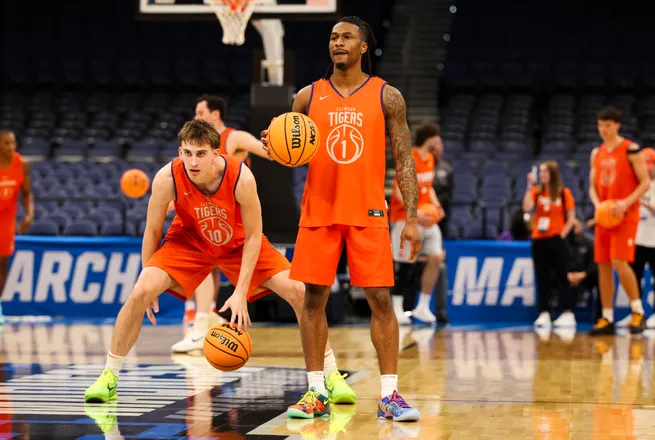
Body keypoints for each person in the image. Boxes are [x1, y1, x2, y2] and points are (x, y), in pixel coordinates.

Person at [84, 120, 355, 405]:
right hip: (189, 241)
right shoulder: (167, 177)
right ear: (180, 152)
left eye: (200, 153)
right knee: (139, 292)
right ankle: (109, 376)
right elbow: (152, 231)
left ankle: (332, 375)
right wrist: (147, 281)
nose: (192, 161)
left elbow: (253, 236)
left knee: (300, 292)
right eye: (187, 153)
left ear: (217, 152)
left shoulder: (241, 177)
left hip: (239, 243)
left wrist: (240, 292)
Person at [263, 16, 422, 422]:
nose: (338, 42)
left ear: (363, 46)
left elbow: (404, 159)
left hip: (368, 212)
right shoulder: (307, 96)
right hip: (319, 212)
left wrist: (413, 218)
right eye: (333, 37)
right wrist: (275, 145)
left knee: (380, 300)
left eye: (347, 37)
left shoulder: (388, 96)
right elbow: (288, 146)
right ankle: (316, 390)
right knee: (313, 301)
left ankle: (389, 394)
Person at [171, 95, 275, 353]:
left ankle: (203, 321)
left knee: (206, 262)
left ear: (214, 114)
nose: (195, 116)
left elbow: (267, 152)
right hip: (208, 214)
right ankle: (207, 318)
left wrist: (277, 142)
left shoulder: (234, 137)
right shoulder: (195, 151)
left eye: (200, 111)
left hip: (235, 217)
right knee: (206, 266)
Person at [588, 106, 650, 335]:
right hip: (605, 215)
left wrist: (625, 203)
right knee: (603, 265)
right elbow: (592, 186)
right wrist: (598, 206)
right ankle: (607, 317)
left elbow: (644, 183)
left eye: (608, 125)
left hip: (625, 215)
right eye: (600, 125)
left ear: (617, 125)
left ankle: (637, 312)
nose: (603, 129)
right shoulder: (596, 153)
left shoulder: (631, 150)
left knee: (619, 261)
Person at [389, 122, 445, 325]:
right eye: (436, 137)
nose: (439, 141)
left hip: (427, 219)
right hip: (406, 219)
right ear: (429, 138)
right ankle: (396, 308)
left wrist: (437, 206)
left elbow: (427, 187)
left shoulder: (430, 159)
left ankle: (422, 306)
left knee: (436, 258)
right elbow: (398, 193)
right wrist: (416, 213)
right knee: (404, 265)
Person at [523, 161, 576, 328]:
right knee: (542, 277)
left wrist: (561, 236)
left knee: (561, 276)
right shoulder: (536, 192)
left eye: (545, 172)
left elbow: (571, 218)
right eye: (541, 172)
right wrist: (529, 187)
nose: (542, 175)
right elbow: (526, 208)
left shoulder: (563, 193)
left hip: (556, 239)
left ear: (552, 174)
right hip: (539, 239)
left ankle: (567, 312)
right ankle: (544, 312)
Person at [617, 147, 655, 329]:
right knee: (634, 277)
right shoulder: (636, 183)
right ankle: (635, 313)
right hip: (637, 239)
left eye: (648, 166)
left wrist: (643, 202)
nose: (646, 169)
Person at [0, 131, 33, 323]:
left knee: (2, 264)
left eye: (13, 142)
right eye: (5, 143)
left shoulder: (21, 164)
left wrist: (29, 214)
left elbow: (26, 193)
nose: (10, 146)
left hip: (6, 220)